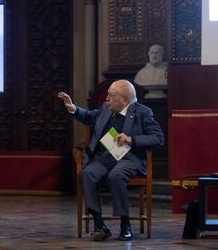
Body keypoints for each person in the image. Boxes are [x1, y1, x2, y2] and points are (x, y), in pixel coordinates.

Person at [57, 80, 164, 241]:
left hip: (128, 159)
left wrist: (131, 139)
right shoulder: (106, 109)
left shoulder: (143, 112)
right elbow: (89, 116)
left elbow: (158, 138)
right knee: (87, 174)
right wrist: (73, 108)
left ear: (125, 99)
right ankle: (100, 225)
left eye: (111, 95)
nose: (107, 99)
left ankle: (125, 225)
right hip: (103, 158)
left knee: (116, 176)